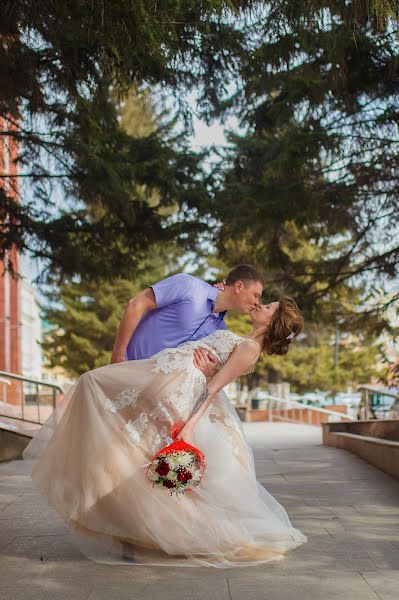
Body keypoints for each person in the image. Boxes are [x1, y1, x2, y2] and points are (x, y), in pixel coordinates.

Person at [23, 292, 307, 568]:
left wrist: (189, 426)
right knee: (119, 430)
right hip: (165, 377)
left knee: (97, 393)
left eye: (268, 306)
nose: (261, 304)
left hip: (178, 391)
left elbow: (213, 388)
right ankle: (129, 528)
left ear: (273, 322)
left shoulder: (249, 348)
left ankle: (144, 531)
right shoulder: (241, 339)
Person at [110, 264, 265, 378]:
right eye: (256, 295)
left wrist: (209, 372)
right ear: (238, 286)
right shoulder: (188, 286)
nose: (257, 302)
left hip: (153, 395)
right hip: (124, 370)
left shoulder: (220, 332)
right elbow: (136, 304)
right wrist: (118, 356)